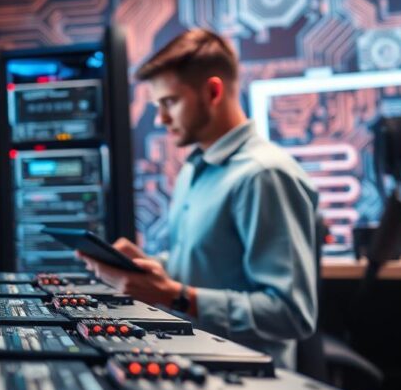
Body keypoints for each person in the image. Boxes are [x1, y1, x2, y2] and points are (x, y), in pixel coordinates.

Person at [76, 28, 319, 369]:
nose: (160, 119)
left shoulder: (264, 175)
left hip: (247, 380)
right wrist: (149, 267)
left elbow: (292, 314)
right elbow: (207, 267)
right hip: (193, 362)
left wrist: (175, 296)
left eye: (170, 102)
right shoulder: (194, 168)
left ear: (213, 91)